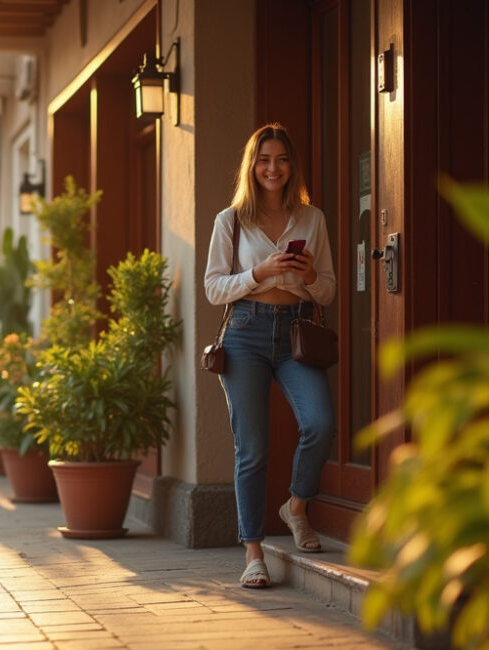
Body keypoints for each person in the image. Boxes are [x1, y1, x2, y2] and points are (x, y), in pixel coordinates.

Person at [203, 123, 336, 589]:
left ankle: (295, 507)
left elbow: (328, 291)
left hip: (297, 331)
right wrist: (258, 272)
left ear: (291, 165)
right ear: (252, 166)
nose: (272, 168)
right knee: (252, 449)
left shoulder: (311, 218)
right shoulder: (231, 220)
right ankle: (253, 552)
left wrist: (310, 273)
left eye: (280, 159)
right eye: (264, 160)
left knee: (320, 423)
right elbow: (214, 288)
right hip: (246, 334)